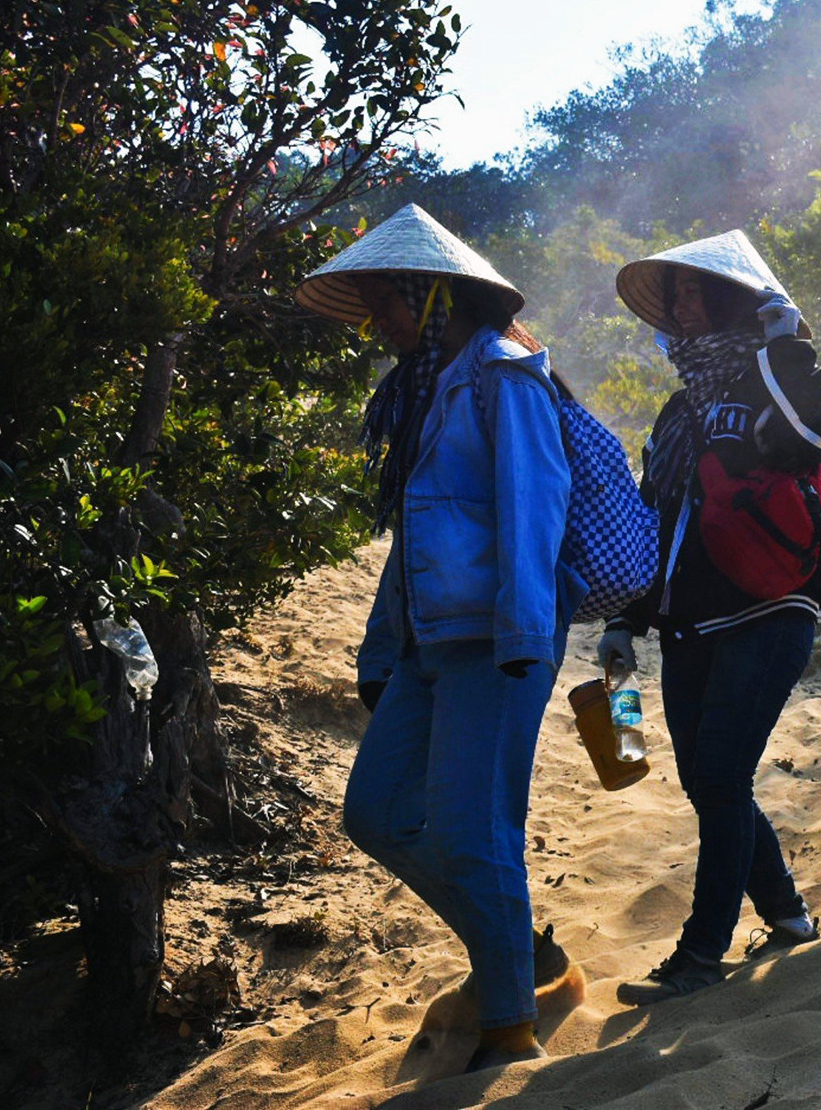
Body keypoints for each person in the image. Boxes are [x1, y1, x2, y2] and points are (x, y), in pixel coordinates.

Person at [296, 203, 582, 1072]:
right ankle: (525, 959)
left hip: (498, 640)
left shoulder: (504, 374)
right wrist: (384, 652)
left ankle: (508, 1029)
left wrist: (524, 633)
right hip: (429, 642)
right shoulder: (427, 388)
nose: (378, 322)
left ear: (430, 295)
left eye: (388, 301)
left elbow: (535, 507)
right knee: (376, 814)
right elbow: (414, 537)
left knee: (471, 829)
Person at [600, 230, 821, 1004]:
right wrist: (624, 624)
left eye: (699, 291)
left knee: (723, 777)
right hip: (688, 622)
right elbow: (655, 519)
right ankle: (789, 915)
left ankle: (703, 954)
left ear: (736, 300)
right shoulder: (679, 410)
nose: (686, 308)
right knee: (710, 782)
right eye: (677, 297)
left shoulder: (773, 378)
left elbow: (815, 433)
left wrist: (784, 342)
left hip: (770, 610)